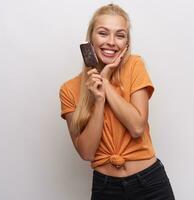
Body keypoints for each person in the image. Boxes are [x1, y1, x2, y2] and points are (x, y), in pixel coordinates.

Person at [59, 3, 175, 200]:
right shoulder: (69, 90)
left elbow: (137, 127)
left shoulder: (134, 66)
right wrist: (99, 99)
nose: (111, 42)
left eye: (120, 35)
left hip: (150, 183)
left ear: (126, 44)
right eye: (103, 33)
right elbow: (87, 153)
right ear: (90, 40)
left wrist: (105, 81)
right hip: (106, 189)